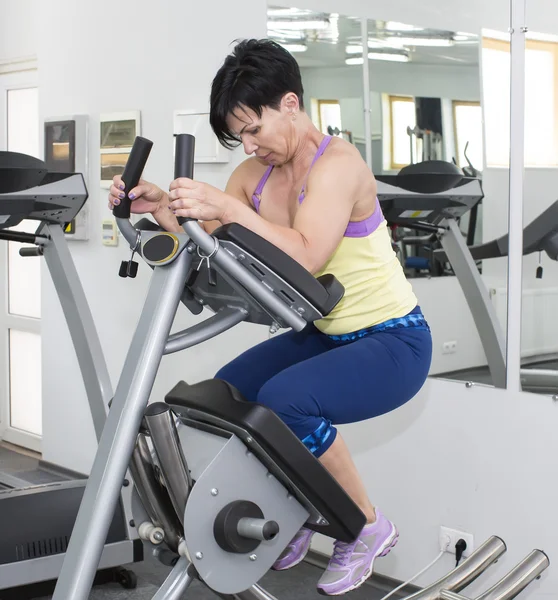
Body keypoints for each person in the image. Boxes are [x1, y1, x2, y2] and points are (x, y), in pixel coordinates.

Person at [108, 38, 432, 596]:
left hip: (394, 342)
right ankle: (299, 512)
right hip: (326, 334)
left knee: (287, 403)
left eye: (254, 129)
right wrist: (161, 207)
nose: (249, 145)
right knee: (224, 397)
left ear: (289, 103)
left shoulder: (338, 166)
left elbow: (307, 253)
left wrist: (228, 206)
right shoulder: (253, 177)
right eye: (240, 137)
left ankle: (365, 525)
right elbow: (207, 237)